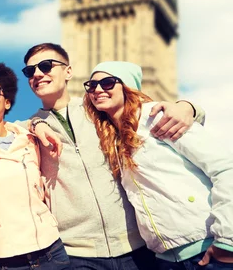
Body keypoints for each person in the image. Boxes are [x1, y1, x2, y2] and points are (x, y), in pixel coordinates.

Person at [20, 43, 205, 270]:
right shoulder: (25, 130)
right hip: (77, 252)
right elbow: (0, 131)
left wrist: (189, 107)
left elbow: (147, 110)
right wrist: (35, 122)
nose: (38, 74)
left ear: (68, 71)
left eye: (46, 66)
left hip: (136, 246)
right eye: (30, 71)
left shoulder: (99, 107)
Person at [83, 61, 233, 269]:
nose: (98, 89)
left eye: (108, 82)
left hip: (207, 249)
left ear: (127, 87)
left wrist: (227, 239)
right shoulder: (110, 139)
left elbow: (225, 168)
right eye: (91, 85)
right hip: (165, 260)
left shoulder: (157, 117)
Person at [0, 61, 70, 270]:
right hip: (0, 258)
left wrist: (36, 123)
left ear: (7, 102)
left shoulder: (29, 139)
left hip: (50, 252)